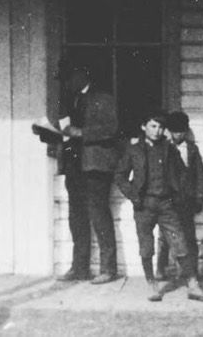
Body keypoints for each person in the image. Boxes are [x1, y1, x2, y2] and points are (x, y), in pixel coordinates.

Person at [116, 110, 203, 302]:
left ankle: (192, 284)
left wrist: (178, 194)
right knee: (146, 247)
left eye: (161, 127)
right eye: (153, 126)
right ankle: (151, 284)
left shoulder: (169, 148)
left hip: (166, 205)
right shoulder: (134, 149)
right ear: (143, 126)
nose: (157, 131)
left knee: (179, 243)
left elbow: (182, 173)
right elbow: (120, 176)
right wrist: (133, 195)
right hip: (144, 206)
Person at [56, 62, 119, 284]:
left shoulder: (103, 98)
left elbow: (112, 129)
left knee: (99, 215)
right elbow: (66, 131)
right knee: (77, 218)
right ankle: (80, 268)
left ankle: (108, 269)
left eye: (70, 77)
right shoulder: (69, 99)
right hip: (74, 166)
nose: (68, 83)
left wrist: (80, 132)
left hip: (95, 166)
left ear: (82, 74)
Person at [154, 110, 203, 300]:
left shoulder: (192, 149)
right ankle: (162, 272)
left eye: (181, 132)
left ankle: (190, 274)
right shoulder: (164, 149)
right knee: (165, 238)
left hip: (187, 202)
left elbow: (200, 174)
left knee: (188, 238)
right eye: (174, 132)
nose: (178, 135)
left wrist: (199, 197)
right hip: (168, 202)